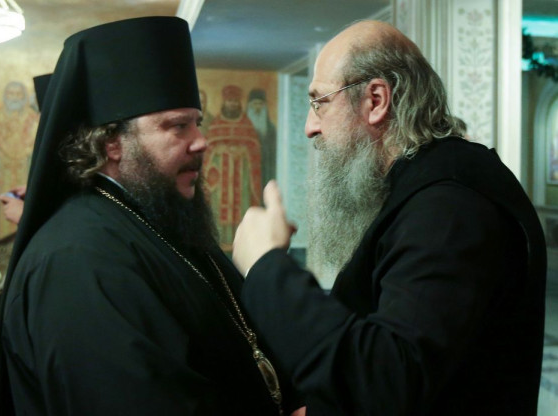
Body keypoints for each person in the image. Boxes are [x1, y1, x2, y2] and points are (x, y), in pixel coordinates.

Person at [0, 17, 303, 416]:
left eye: (197, 123)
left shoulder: (158, 219)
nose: (201, 141)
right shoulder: (78, 261)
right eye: (178, 126)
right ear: (112, 143)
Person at [232, 20, 546, 415]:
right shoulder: (419, 189)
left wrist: (266, 267)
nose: (311, 127)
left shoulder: (449, 208)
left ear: (376, 100)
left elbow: (387, 382)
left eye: (319, 102)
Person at [0, 81, 39, 246]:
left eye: (18, 94)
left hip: (23, 170)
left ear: (24, 97)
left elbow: (37, 146)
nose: (14, 97)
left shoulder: (32, 118)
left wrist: (25, 152)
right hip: (0, 172)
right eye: (11, 94)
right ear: (5, 96)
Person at [203, 84, 263, 251]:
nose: (232, 104)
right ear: (224, 102)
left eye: (235, 101)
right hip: (221, 178)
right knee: (219, 210)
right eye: (230, 101)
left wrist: (243, 151)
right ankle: (218, 242)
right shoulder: (216, 124)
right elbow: (208, 149)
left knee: (240, 208)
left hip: (241, 177)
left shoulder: (246, 124)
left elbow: (254, 148)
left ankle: (241, 242)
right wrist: (219, 150)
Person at [247, 88, 277, 186]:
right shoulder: (242, 127)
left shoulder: (271, 129)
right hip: (247, 168)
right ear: (249, 106)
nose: (257, 107)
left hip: (265, 170)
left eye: (260, 104)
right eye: (254, 104)